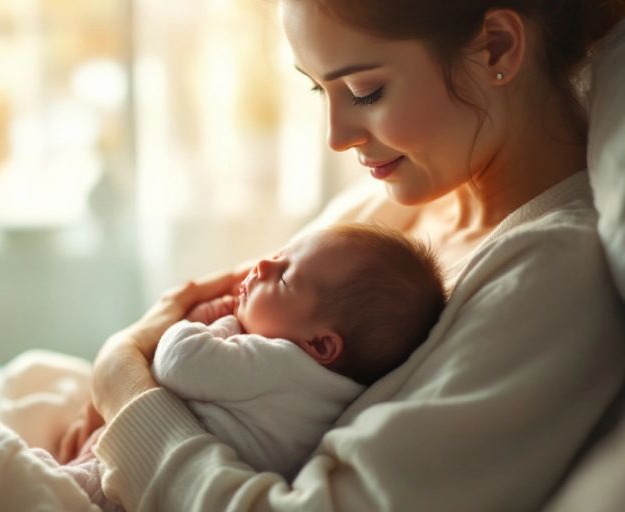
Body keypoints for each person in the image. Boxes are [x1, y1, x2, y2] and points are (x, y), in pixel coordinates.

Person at [87, 2, 625, 511]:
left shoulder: (549, 281)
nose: (336, 138)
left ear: (497, 48)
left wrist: (122, 381)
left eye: (365, 91)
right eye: (320, 91)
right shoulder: (387, 208)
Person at [45, 223, 446, 511]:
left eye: (284, 277)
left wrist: (219, 320)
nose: (263, 267)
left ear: (321, 344)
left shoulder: (279, 363)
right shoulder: (330, 394)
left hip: (113, 488)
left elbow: (177, 361)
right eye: (277, 257)